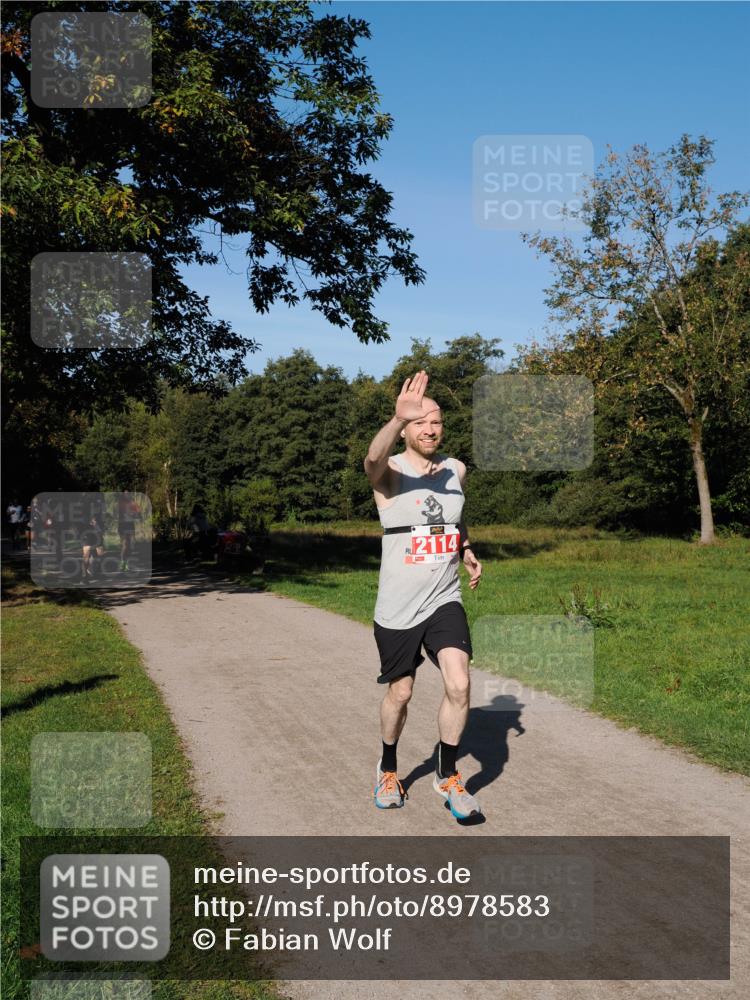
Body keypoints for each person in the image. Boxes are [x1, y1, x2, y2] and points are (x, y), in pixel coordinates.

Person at [364, 370, 483, 819]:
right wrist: (397, 417)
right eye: (420, 423)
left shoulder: (457, 470)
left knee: (460, 682)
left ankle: (447, 775)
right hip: (398, 605)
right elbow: (370, 460)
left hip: (443, 597)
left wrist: (465, 547)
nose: (429, 429)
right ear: (406, 430)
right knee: (401, 693)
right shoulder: (391, 471)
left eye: (436, 422)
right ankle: (388, 767)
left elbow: (454, 516)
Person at [117, 491, 141, 571]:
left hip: (130, 525)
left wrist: (135, 514)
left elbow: (139, 514)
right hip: (122, 526)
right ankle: (122, 562)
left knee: (131, 545)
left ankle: (127, 563)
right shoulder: (120, 503)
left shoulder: (133, 503)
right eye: (125, 493)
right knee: (125, 545)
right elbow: (115, 513)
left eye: (128, 493)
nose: (127, 495)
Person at [80, 515, 105, 583]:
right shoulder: (83, 516)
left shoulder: (98, 517)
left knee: (99, 555)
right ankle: (84, 576)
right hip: (88, 536)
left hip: (97, 536)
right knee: (86, 557)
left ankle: (90, 571)